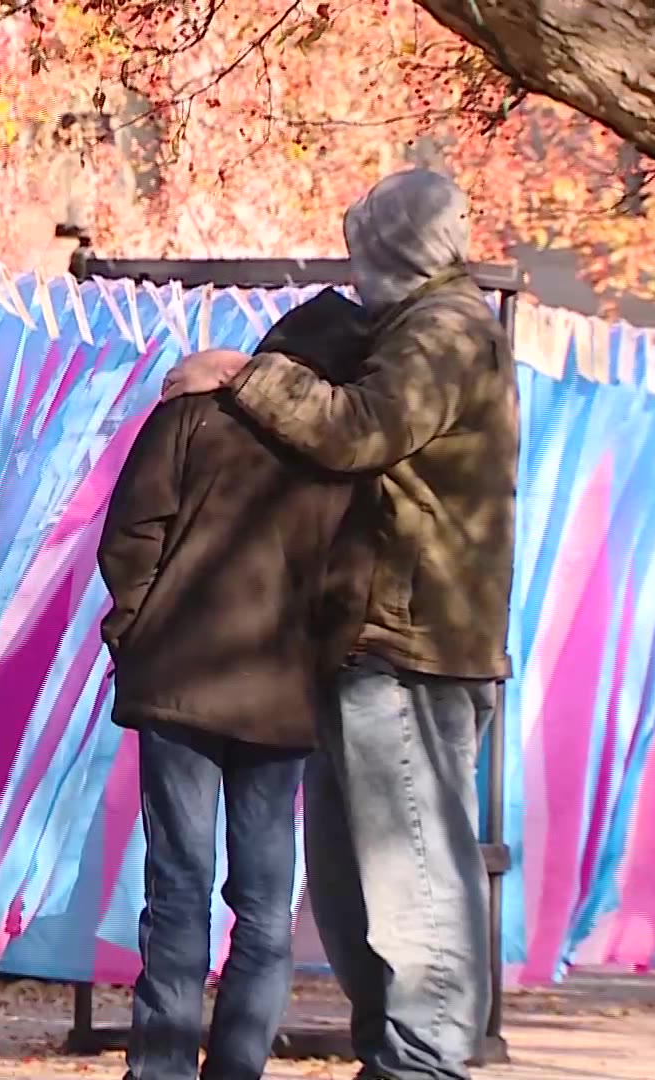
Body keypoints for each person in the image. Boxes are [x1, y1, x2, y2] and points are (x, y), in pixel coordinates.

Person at [162, 169, 517, 1080]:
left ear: (390, 246)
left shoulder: (443, 328)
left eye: (362, 246)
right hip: (372, 638)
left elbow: (362, 428)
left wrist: (243, 373)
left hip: (405, 640)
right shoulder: (417, 326)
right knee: (356, 874)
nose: (354, 269)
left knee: (411, 874)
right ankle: (396, 1053)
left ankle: (423, 1060)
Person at [99, 288, 377, 1080]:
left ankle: (159, 1069)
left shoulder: (192, 413)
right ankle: (238, 1068)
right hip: (280, 696)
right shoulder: (341, 454)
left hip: (178, 678)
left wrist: (135, 630)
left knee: (176, 888)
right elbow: (351, 584)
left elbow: (131, 533)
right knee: (262, 904)